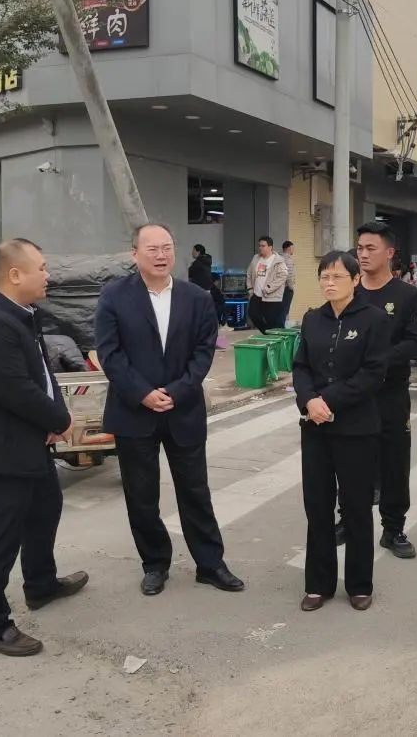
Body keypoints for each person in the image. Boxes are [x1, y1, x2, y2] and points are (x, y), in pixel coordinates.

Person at [0, 238, 88, 657]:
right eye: (41, 268)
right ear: (15, 275)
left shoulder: (20, 313)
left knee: (45, 509)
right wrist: (61, 421)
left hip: (26, 442)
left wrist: (53, 415)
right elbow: (17, 390)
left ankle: (41, 584)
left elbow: (42, 375)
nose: (48, 275)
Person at [95, 223, 244, 597]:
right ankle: (155, 564)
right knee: (141, 495)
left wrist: (177, 391)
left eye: (166, 248)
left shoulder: (197, 298)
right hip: (134, 411)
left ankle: (210, 564)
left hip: (183, 409)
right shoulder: (114, 296)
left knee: (195, 491)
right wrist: (143, 393)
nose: (161, 255)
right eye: (152, 249)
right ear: (134, 254)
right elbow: (110, 354)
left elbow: (203, 352)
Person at [293, 250, 390, 612]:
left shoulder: (373, 319)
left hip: (356, 428)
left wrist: (326, 401)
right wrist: (308, 401)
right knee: (317, 505)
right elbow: (301, 367)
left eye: (337, 276)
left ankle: (359, 584)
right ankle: (318, 584)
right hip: (315, 428)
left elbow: (373, 373)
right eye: (324, 276)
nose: (330, 283)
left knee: (356, 506)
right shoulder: (312, 319)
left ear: (355, 279)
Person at [343, 222, 417, 559]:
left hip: (390, 394)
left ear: (389, 253)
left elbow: (414, 343)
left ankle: (393, 529)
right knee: (350, 460)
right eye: (360, 248)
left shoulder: (407, 295)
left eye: (370, 248)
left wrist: (375, 362)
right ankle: (347, 519)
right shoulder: (349, 291)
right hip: (353, 395)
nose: (363, 254)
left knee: (394, 462)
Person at [246, 236, 289, 333]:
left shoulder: (278, 260)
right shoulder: (256, 258)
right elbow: (249, 273)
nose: (260, 248)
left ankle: (274, 336)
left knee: (272, 321)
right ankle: (266, 333)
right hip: (256, 294)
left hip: (271, 296)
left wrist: (269, 288)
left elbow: (283, 276)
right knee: (253, 314)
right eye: (259, 246)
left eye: (263, 246)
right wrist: (250, 288)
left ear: (270, 247)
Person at [280, 240, 297, 328]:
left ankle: (278, 326)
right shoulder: (288, 259)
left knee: (280, 309)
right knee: (285, 310)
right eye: (292, 248)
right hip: (286, 288)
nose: (293, 250)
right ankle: (281, 327)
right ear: (288, 248)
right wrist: (291, 287)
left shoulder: (278, 258)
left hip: (279, 288)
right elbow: (289, 275)